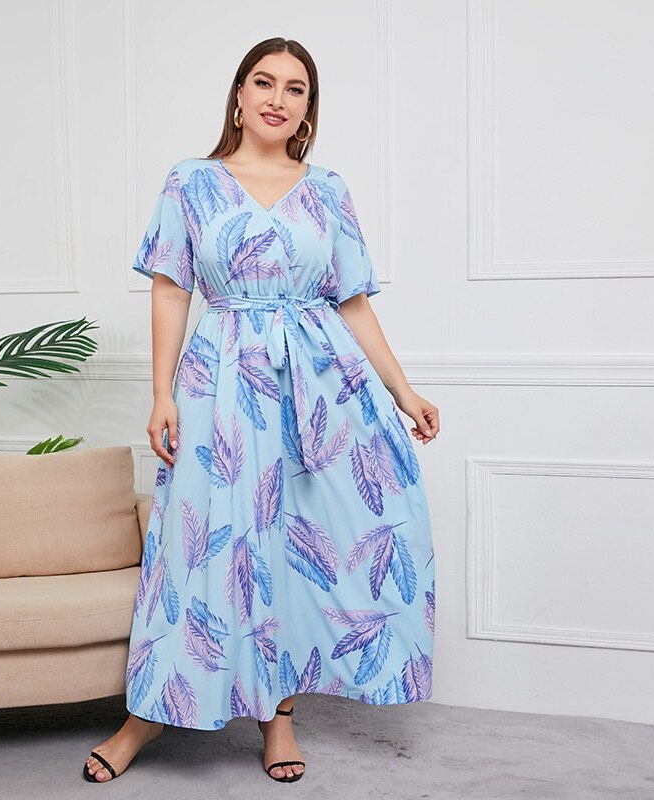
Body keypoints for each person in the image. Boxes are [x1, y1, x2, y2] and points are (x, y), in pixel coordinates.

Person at [84, 36, 440, 785]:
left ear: (308, 109)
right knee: (200, 543)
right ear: (239, 96)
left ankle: (278, 717)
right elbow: (171, 287)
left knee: (300, 542)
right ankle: (148, 714)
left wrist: (403, 392)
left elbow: (352, 301)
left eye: (296, 88)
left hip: (320, 385)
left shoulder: (329, 191)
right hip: (220, 379)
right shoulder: (191, 182)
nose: (279, 98)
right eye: (264, 82)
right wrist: (161, 393)